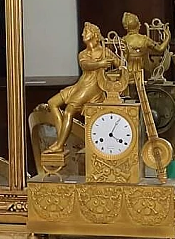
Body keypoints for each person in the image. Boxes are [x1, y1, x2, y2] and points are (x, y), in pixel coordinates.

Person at [43, 22, 121, 154]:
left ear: (94, 35)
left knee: (69, 111)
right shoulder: (83, 54)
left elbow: (121, 64)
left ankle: (60, 144)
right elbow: (86, 65)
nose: (83, 34)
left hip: (93, 86)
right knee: (52, 103)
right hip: (82, 84)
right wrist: (100, 64)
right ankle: (61, 140)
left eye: (86, 32)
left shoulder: (105, 51)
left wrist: (120, 55)